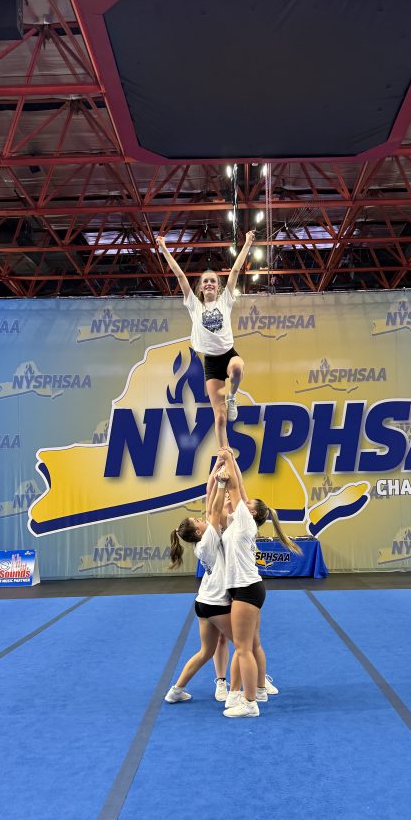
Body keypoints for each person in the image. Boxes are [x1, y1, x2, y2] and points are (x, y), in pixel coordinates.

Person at [165, 458, 268, 711]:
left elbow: (208, 501)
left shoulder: (201, 543)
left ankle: (176, 690)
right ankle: (248, 694)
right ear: (199, 531)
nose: (202, 519)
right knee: (245, 648)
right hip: (217, 603)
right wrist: (222, 483)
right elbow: (213, 506)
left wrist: (215, 471)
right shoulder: (210, 537)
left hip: (202, 602)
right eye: (197, 521)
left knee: (206, 651)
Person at [216, 448, 301, 718]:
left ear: (250, 513)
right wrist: (228, 461)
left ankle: (249, 702)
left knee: (242, 649)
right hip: (247, 587)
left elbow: (237, 486)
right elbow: (236, 488)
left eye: (247, 502)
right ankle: (260, 689)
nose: (243, 500)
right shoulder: (239, 523)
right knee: (251, 644)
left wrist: (228, 456)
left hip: (246, 589)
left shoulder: (243, 522)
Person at [156, 230, 255, 448]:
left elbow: (236, 269)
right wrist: (163, 249)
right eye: (205, 281)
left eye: (213, 281)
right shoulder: (194, 305)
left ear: (218, 287)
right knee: (219, 418)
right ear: (200, 287)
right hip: (211, 363)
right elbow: (180, 276)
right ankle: (224, 453)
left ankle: (232, 397)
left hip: (228, 355)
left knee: (238, 368)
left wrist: (247, 243)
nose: (209, 283)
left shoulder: (225, 301)